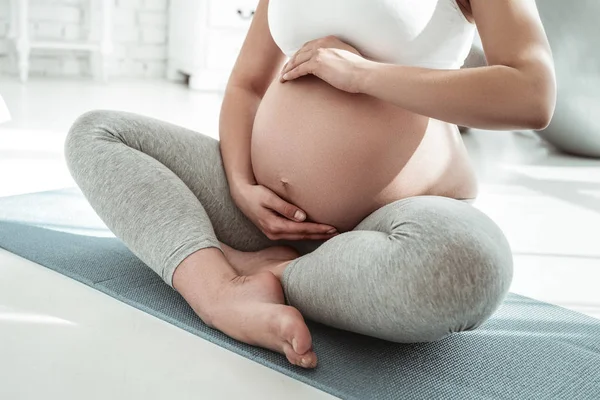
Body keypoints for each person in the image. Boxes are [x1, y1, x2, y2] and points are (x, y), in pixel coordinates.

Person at [64, 0, 556, 369]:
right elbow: (247, 85)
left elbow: (531, 92)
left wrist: (365, 75)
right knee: (100, 134)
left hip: (396, 220)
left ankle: (275, 275)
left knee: (471, 265)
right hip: (263, 213)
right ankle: (217, 291)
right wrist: (239, 183)